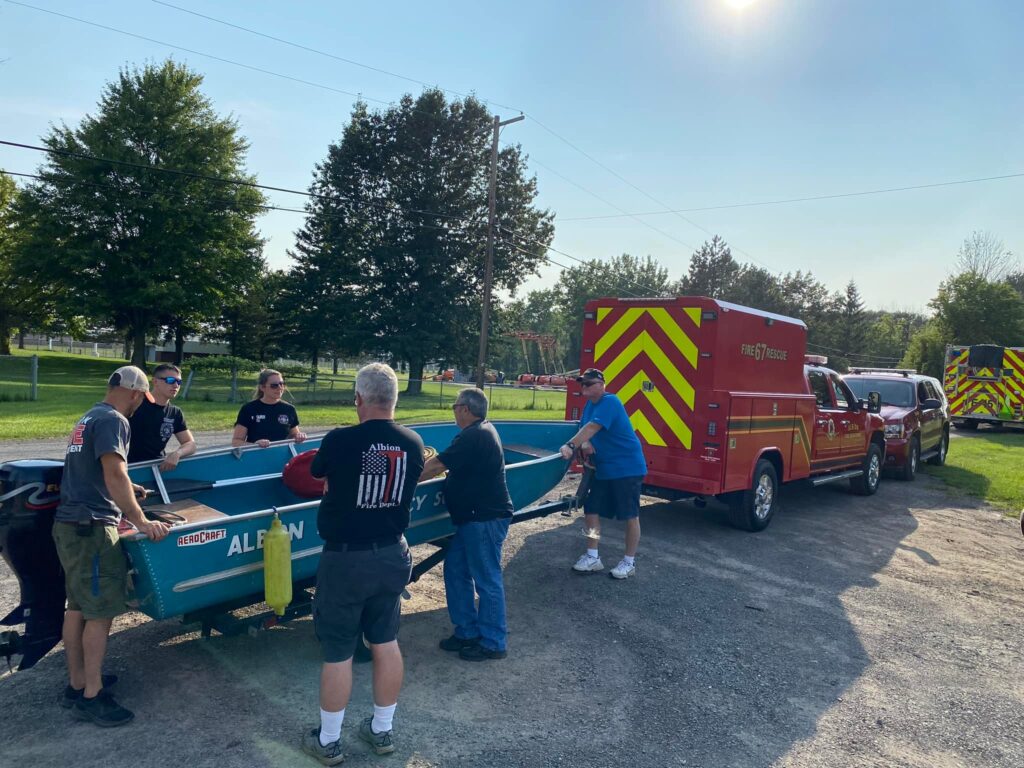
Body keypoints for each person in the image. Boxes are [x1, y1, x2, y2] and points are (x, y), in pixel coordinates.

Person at [300, 363, 424, 764]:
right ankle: (382, 730)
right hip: (392, 552)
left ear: (358, 399)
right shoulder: (413, 442)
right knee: (385, 641)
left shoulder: (340, 440)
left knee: (339, 650)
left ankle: (328, 741)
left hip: (346, 558)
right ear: (394, 399)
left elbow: (316, 472)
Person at [53, 366, 170, 727]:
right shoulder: (115, 420)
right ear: (134, 393)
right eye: (141, 398)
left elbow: (96, 469)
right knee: (100, 612)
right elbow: (114, 472)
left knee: (77, 606)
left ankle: (77, 683)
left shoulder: (90, 416)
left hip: (69, 525)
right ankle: (93, 696)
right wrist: (142, 521)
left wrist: (130, 488)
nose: (140, 404)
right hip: (92, 529)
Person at [420, 388, 513, 661]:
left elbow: (434, 466)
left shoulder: (474, 435)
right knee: (456, 570)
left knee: (486, 579)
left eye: (454, 406)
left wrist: (399, 482)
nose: (453, 411)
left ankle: (493, 643)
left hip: (484, 518)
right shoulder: (481, 431)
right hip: (472, 519)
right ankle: (467, 631)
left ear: (464, 409)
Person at [558, 368, 647, 580]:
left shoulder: (611, 402)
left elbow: (592, 427)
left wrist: (571, 445)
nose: (584, 387)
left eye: (589, 383)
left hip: (626, 468)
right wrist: (585, 443)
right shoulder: (590, 404)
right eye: (582, 383)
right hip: (604, 468)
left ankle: (629, 562)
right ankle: (592, 556)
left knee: (629, 515)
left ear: (601, 385)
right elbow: (584, 429)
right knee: (591, 509)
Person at [126, 363, 197, 470]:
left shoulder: (175, 413)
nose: (176, 385)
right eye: (170, 380)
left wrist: (177, 454)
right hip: (129, 467)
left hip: (157, 468)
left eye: (179, 382)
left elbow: (190, 444)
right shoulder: (135, 403)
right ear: (155, 382)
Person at [231, 368, 307, 448]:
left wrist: (299, 436)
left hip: (282, 454)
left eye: (282, 384)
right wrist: (255, 445)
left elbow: (294, 435)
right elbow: (236, 442)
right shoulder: (249, 409)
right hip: (257, 454)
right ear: (262, 387)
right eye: (274, 385)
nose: (279, 387)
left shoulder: (289, 409)